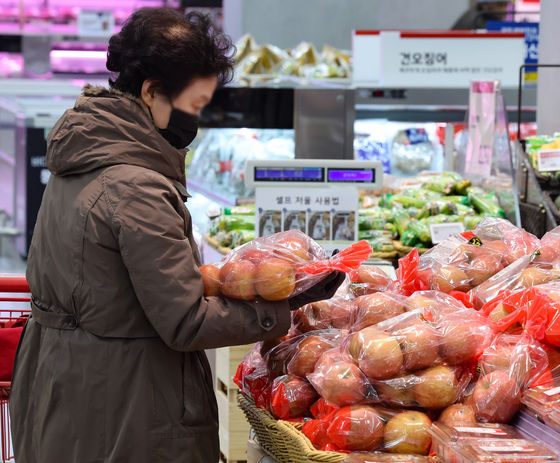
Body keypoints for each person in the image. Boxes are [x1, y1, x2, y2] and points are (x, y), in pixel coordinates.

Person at [9, 8, 343, 463]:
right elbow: (185, 321)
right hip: (124, 402)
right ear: (151, 92)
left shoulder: (84, 156)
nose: (197, 119)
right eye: (193, 104)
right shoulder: (136, 186)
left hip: (67, 383)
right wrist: (284, 304)